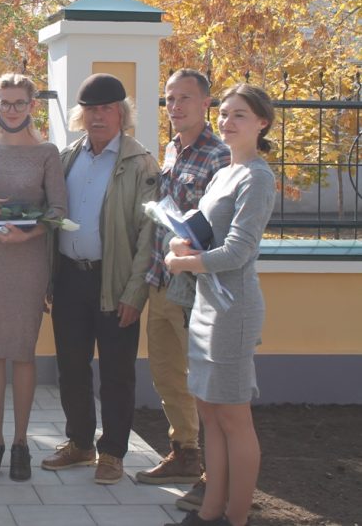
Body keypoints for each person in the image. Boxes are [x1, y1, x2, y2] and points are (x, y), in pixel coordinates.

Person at [164, 84, 276, 526]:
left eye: (240, 115)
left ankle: (237, 517)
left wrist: (183, 263)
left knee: (233, 418)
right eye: (225, 113)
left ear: (262, 123)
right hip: (206, 304)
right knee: (210, 414)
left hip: (233, 311)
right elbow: (208, 237)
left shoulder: (257, 177)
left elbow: (238, 252)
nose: (228, 122)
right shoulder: (225, 172)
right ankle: (210, 511)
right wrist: (182, 243)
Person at [40, 73, 159, 484]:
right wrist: (47, 280)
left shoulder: (140, 163)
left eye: (107, 108)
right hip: (69, 279)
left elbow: (149, 234)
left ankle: (112, 453)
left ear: (122, 114)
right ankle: (79, 443)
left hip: (114, 282)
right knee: (71, 367)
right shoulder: (67, 157)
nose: (98, 116)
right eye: (91, 109)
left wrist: (135, 292)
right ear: (81, 115)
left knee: (116, 373)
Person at [0, 73, 67, 481]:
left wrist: (29, 233)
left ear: (32, 105)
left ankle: (21, 442)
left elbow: (59, 211)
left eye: (19, 102)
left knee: (23, 352)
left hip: (28, 262)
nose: (11, 109)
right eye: (4, 103)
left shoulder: (47, 153)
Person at [138, 70, 230, 496]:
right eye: (170, 98)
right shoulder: (172, 148)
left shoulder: (220, 156)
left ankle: (218, 473)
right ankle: (186, 453)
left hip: (196, 289)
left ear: (206, 103)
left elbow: (221, 230)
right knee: (167, 373)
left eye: (184, 98)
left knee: (206, 380)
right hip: (162, 280)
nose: (174, 106)